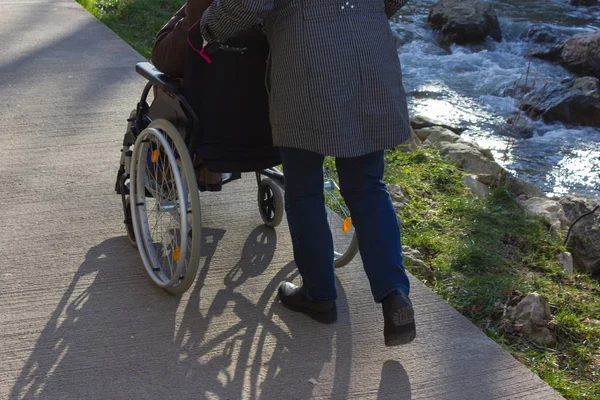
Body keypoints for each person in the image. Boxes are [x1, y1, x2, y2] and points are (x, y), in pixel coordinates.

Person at [200, 0, 415, 346]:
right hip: (371, 51)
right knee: (367, 186)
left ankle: (319, 295)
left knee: (304, 189)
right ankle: (395, 297)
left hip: (309, 58)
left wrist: (208, 25)